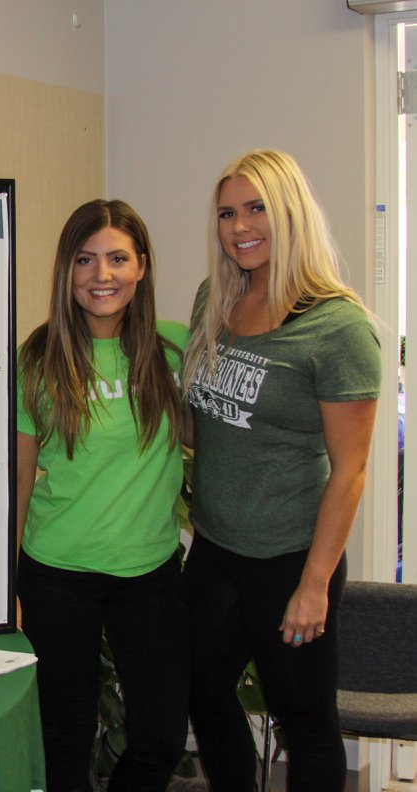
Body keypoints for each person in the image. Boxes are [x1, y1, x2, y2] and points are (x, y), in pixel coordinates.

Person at [182, 149, 380, 791]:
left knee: (306, 722)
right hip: (214, 549)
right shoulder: (216, 299)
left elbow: (350, 470)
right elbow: (202, 423)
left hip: (292, 558)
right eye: (227, 213)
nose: (240, 226)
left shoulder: (338, 327)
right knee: (203, 691)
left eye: (257, 207)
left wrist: (315, 583)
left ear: (291, 211)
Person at [16, 199, 189, 792]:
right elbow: (19, 476)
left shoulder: (174, 350)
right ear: (67, 269)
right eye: (85, 260)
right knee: (63, 738)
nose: (102, 275)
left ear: (142, 266)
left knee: (163, 738)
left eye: (118, 258)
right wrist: (6, 582)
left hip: (151, 572)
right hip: (57, 571)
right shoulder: (39, 358)